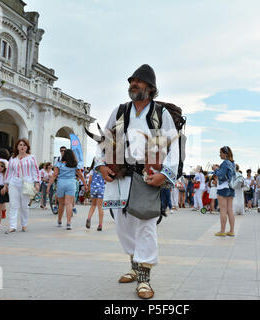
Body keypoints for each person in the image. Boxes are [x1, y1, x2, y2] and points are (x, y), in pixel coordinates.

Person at [95, 64, 179, 299]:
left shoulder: (161, 114)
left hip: (148, 175)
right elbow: (104, 140)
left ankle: (144, 278)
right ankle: (134, 265)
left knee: (146, 224)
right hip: (120, 176)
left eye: (139, 81)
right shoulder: (120, 111)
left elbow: (174, 147)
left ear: (150, 88)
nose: (133, 84)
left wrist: (166, 174)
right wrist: (101, 165)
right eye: (131, 80)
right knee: (124, 225)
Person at [2, 139, 40, 234]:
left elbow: (36, 170)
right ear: (17, 147)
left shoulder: (31, 158)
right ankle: (12, 226)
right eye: (20, 145)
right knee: (13, 205)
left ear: (27, 147)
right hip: (14, 182)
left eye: (24, 145)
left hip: (26, 183)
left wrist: (37, 183)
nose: (22, 147)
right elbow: (9, 172)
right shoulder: (13, 159)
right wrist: (5, 184)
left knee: (24, 205)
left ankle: (24, 224)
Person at [48, 149, 84, 230]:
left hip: (61, 183)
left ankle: (59, 221)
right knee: (69, 204)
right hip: (71, 183)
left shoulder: (59, 164)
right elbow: (81, 176)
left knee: (61, 204)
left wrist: (49, 185)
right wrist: (85, 184)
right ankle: (68, 223)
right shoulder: (75, 165)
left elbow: (54, 175)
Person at [213, 146, 236, 237]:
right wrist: (219, 168)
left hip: (223, 187)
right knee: (230, 210)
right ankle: (231, 231)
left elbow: (221, 175)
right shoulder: (232, 163)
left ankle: (222, 231)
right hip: (231, 187)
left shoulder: (225, 163)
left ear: (225, 153)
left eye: (221, 153)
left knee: (223, 210)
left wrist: (215, 169)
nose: (219, 155)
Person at [85, 159, 106, 231]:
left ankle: (89, 218)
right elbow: (106, 180)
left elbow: (90, 180)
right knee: (100, 207)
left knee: (93, 205)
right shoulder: (104, 169)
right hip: (101, 189)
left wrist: (88, 187)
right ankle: (100, 224)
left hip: (93, 189)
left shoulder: (92, 170)